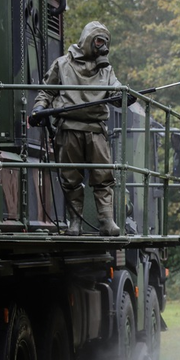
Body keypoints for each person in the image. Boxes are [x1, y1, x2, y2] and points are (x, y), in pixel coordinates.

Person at [30, 21, 133, 236]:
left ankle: (106, 221)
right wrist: (39, 108)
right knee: (70, 177)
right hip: (69, 128)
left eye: (105, 43)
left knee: (104, 176)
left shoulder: (106, 70)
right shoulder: (63, 64)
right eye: (98, 42)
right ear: (87, 40)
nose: (102, 48)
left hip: (96, 129)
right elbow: (47, 91)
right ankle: (74, 223)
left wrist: (124, 95)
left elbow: (115, 90)